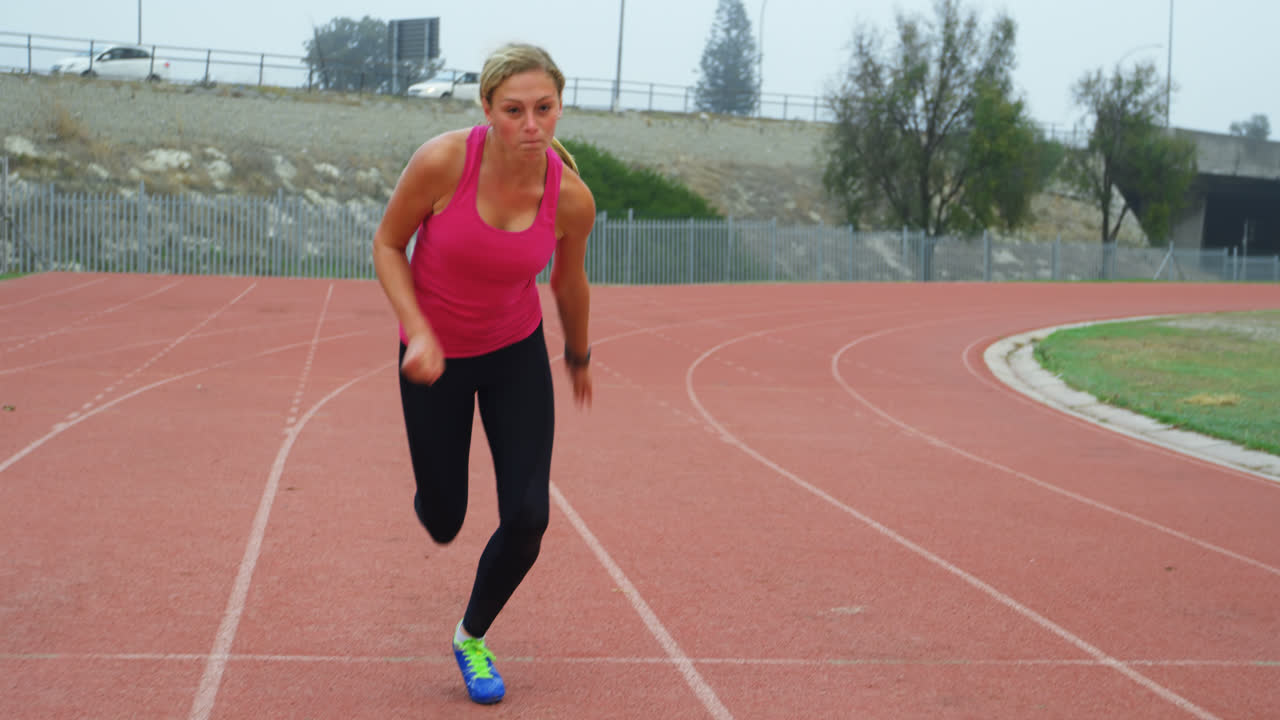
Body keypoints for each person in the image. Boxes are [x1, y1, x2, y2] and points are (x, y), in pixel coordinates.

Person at [371, 42, 595, 705]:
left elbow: (570, 284)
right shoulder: (445, 162)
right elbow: (387, 245)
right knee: (444, 520)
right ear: (487, 109)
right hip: (433, 358)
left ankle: (471, 636)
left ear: (559, 109)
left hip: (514, 355)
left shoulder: (571, 197)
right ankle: (433, 487)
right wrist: (418, 332)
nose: (531, 126)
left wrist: (578, 355)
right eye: (514, 110)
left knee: (528, 516)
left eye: (544, 110)